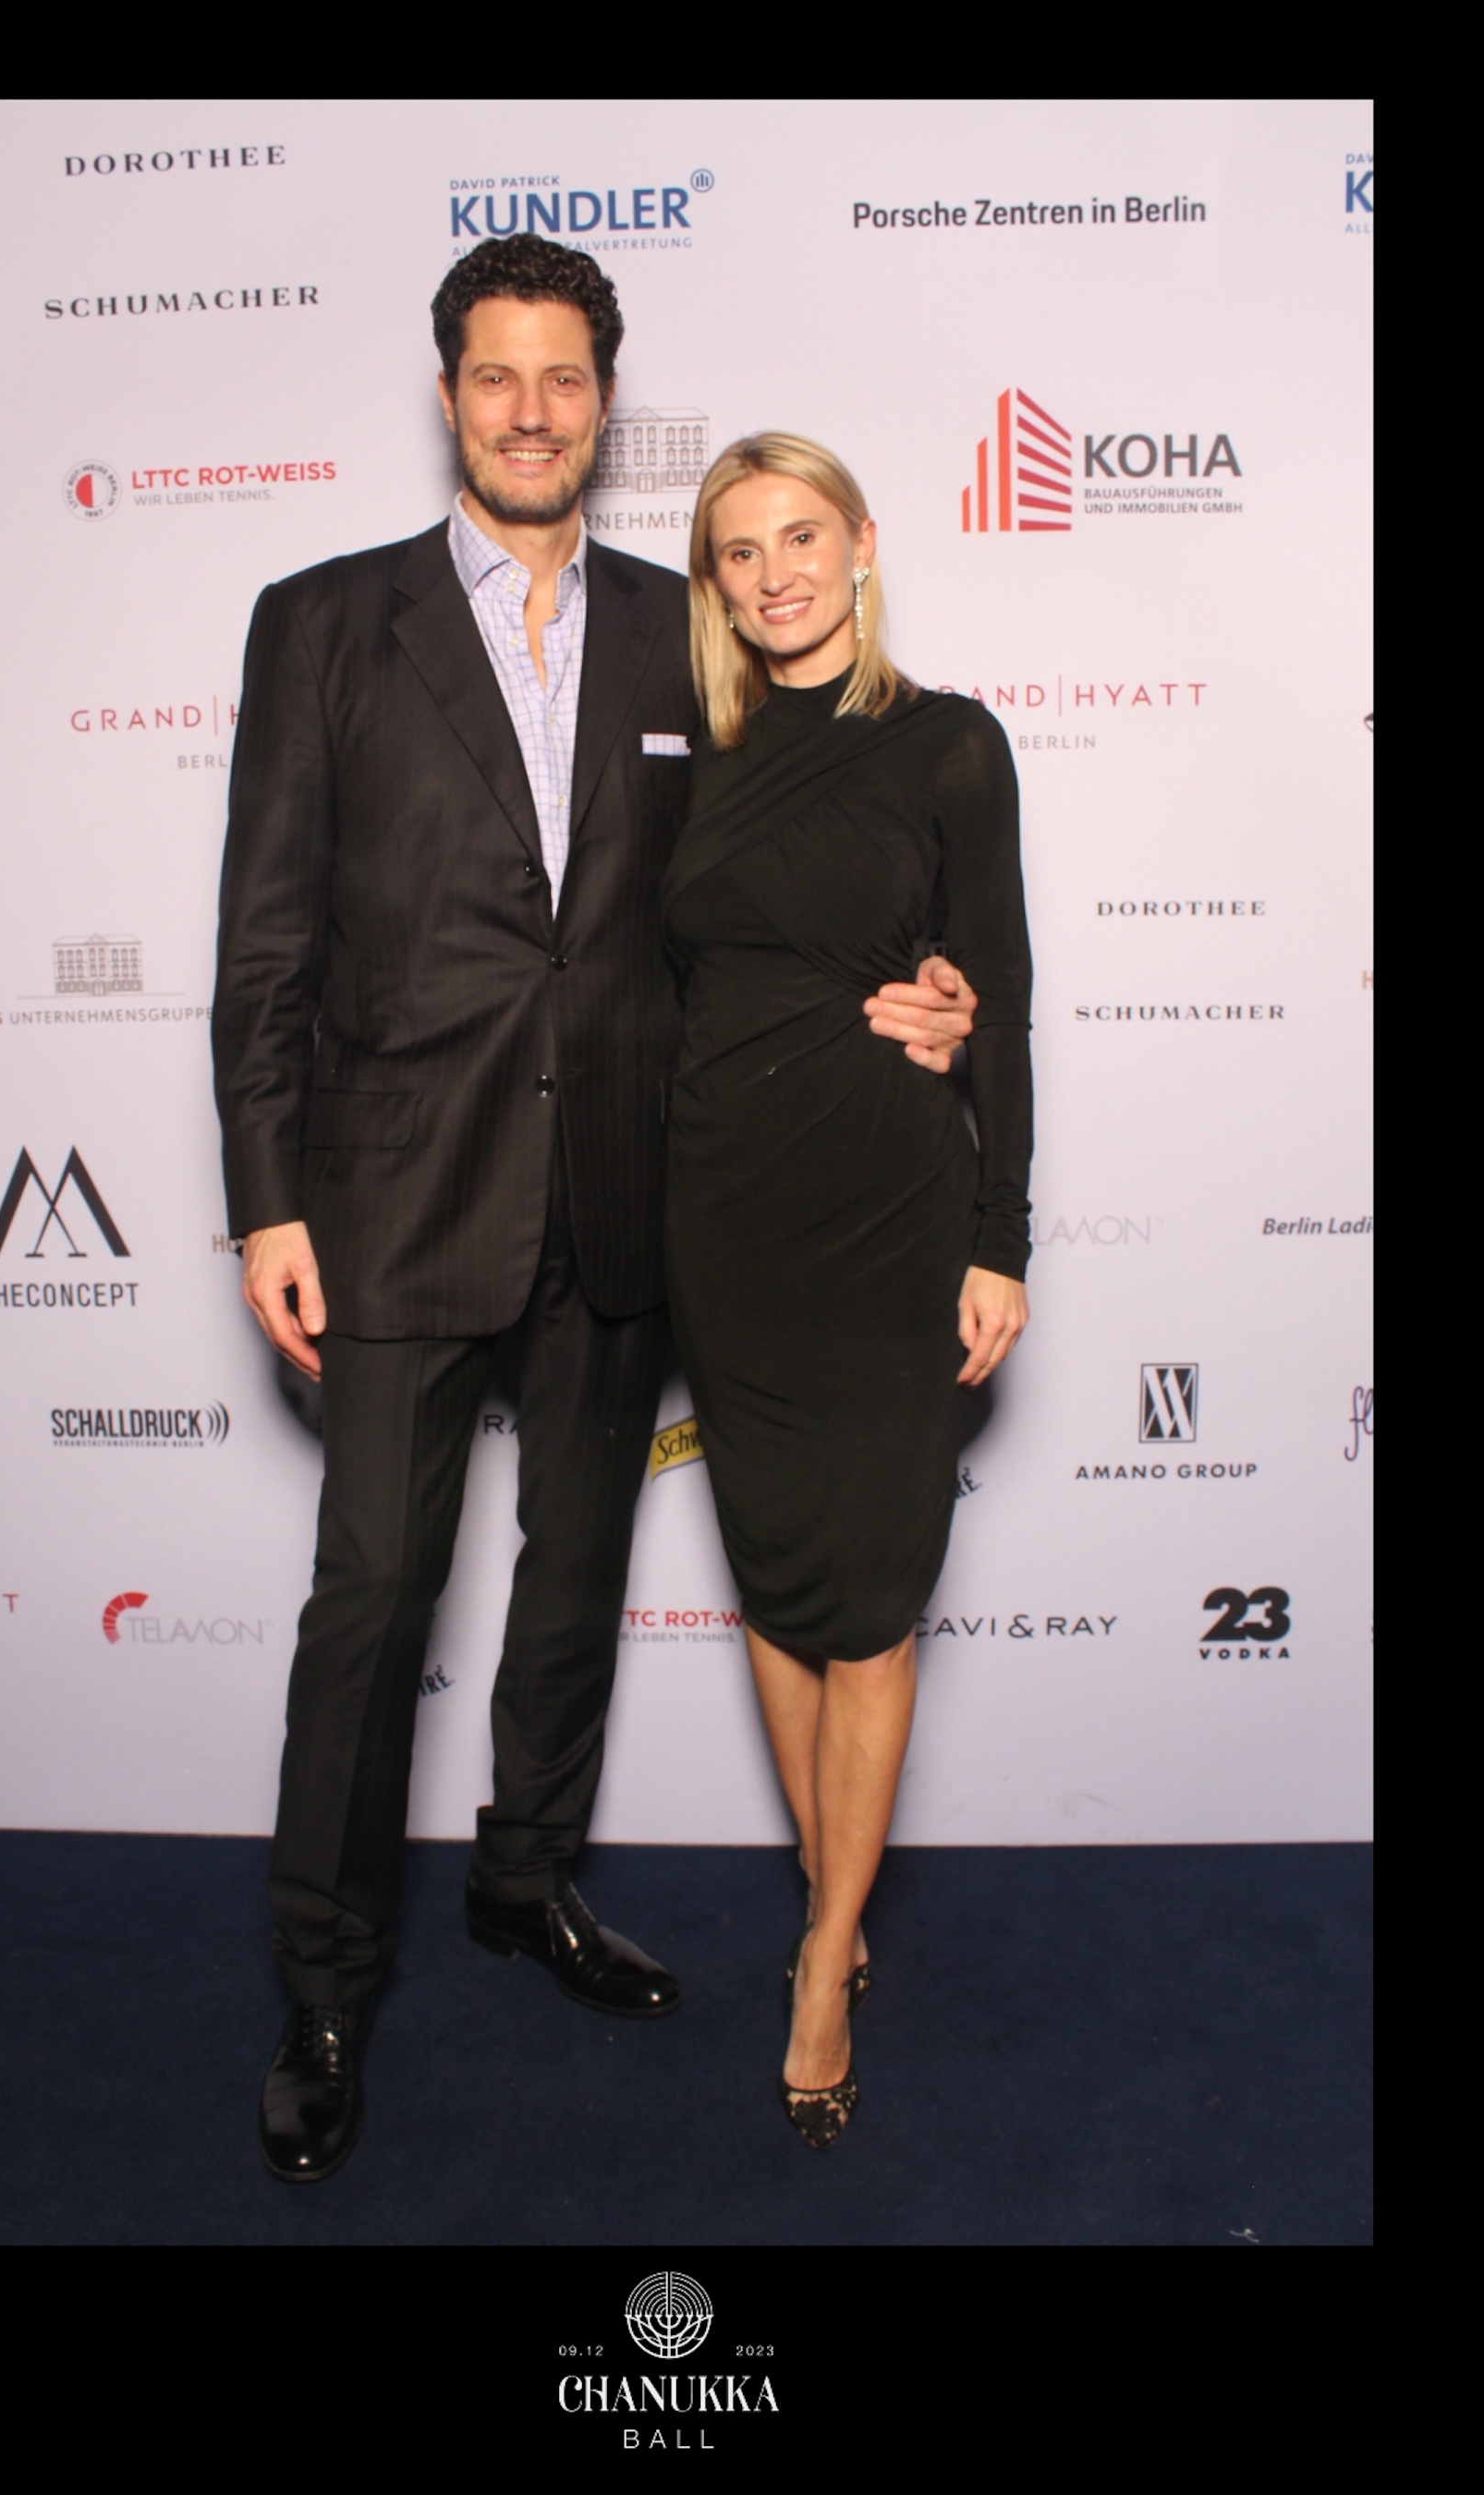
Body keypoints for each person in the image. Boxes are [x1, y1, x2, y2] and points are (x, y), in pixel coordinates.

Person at [213, 242, 978, 2183]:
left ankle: (525, 1879)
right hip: (395, 1194)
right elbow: (265, 942)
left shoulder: (683, 632)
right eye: (497, 376)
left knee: (571, 1585)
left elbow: (800, 867)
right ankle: (324, 1985)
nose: (532, 412)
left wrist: (933, 988)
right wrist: (264, 1200)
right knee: (374, 1601)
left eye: (565, 379)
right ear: (448, 395)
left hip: (634, 1192)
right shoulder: (325, 623)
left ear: (606, 403)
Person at [663, 433, 1033, 2148]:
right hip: (724, 1216)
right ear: (716, 585)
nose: (777, 574)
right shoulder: (694, 757)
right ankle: (837, 1898)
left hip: (888, 1214)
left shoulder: (949, 743)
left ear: (865, 545)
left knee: (870, 1604)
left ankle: (823, 1960)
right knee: (775, 1587)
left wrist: (1000, 1234)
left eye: (803, 536)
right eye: (741, 552)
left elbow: (998, 999)